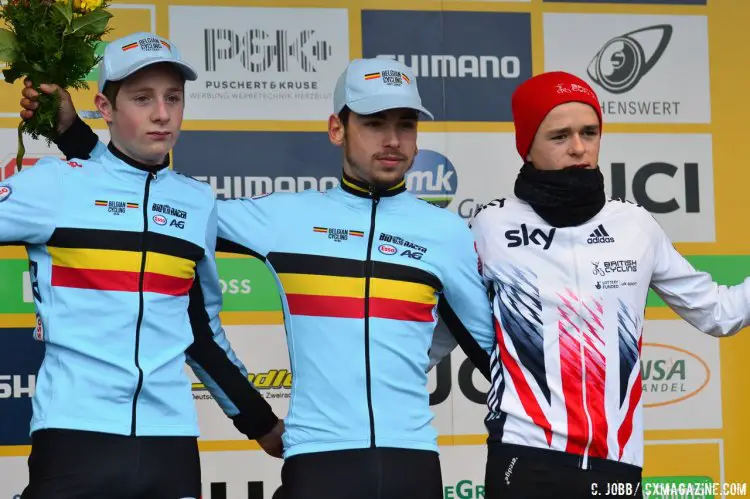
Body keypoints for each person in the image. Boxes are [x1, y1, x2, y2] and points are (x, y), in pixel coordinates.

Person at [19, 57, 495, 498]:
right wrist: (77, 140)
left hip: (412, 457)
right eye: (374, 124)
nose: (392, 140)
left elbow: (486, 344)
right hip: (316, 456)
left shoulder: (448, 232)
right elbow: (160, 212)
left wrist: (414, 357)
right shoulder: (283, 218)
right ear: (337, 128)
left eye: (405, 125)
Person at [5, 32, 283, 499]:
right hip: (74, 434)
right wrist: (74, 137)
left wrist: (261, 423)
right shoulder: (54, 186)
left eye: (173, 98)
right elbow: (108, 180)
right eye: (142, 98)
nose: (161, 113)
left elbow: (200, 332)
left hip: (169, 443)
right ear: (105, 107)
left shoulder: (195, 203)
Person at [463, 71, 750, 498]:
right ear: (526, 146)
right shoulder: (489, 226)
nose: (579, 148)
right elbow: (441, 327)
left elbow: (719, 313)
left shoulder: (634, 225)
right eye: (560, 136)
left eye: (589, 132)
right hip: (524, 459)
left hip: (617, 464)